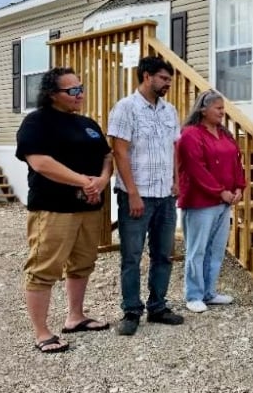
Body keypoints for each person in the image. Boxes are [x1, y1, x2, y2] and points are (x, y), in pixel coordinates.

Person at [15, 67, 113, 353]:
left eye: (80, 88)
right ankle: (42, 332)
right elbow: (41, 163)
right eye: (72, 90)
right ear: (51, 94)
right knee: (44, 269)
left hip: (89, 208)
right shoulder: (36, 123)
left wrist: (103, 180)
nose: (79, 94)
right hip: (54, 209)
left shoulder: (87, 123)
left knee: (82, 264)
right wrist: (83, 181)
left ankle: (75, 317)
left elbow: (106, 156)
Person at [107, 56, 183, 336]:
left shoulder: (170, 111)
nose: (168, 84)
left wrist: (175, 181)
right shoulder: (126, 108)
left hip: (165, 195)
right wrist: (134, 193)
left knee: (163, 254)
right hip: (136, 196)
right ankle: (131, 310)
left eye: (169, 79)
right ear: (147, 76)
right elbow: (120, 152)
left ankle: (158, 306)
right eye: (163, 79)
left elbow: (172, 149)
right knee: (132, 255)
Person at [176, 90, 246, 313]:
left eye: (223, 108)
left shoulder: (225, 134)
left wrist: (238, 187)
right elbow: (197, 169)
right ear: (203, 110)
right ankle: (193, 294)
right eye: (218, 108)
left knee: (216, 250)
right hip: (200, 203)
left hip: (224, 203)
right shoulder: (190, 134)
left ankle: (209, 292)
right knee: (197, 250)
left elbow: (237, 162)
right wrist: (220, 192)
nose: (222, 113)